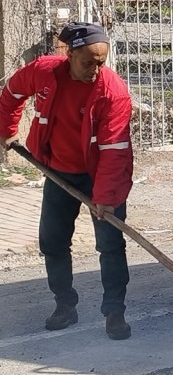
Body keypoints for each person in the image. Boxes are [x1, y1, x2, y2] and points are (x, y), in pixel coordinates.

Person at [0, 22, 134, 340]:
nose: (95, 69)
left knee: (111, 244)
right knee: (53, 242)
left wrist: (106, 198)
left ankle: (115, 312)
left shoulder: (113, 93)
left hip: (101, 174)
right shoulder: (44, 72)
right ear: (70, 54)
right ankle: (65, 305)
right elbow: (10, 94)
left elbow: (115, 152)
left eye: (101, 61)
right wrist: (7, 130)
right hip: (57, 171)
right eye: (88, 61)